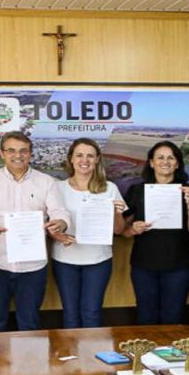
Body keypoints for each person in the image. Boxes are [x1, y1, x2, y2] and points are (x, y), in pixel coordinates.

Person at [0, 131, 70, 331]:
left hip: (32, 267)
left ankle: (29, 363)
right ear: (2, 154)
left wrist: (60, 224)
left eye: (23, 151)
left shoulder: (46, 181)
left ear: (30, 154)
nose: (18, 155)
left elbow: (60, 212)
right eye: (11, 150)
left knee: (30, 324)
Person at [122, 141, 189, 325]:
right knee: (145, 318)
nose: (165, 162)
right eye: (160, 157)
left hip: (179, 266)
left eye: (170, 157)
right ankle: (146, 354)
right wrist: (133, 229)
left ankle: (172, 355)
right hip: (144, 266)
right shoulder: (137, 191)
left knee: (173, 318)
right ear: (151, 162)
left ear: (177, 163)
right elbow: (124, 231)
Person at [50, 138, 127, 329]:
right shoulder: (56, 188)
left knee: (92, 312)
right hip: (65, 260)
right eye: (79, 155)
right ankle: (74, 358)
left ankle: (92, 357)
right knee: (70, 313)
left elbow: (119, 230)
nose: (85, 160)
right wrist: (56, 235)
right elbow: (48, 224)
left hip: (98, 260)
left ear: (97, 159)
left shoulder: (110, 189)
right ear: (71, 159)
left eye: (90, 156)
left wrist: (116, 213)